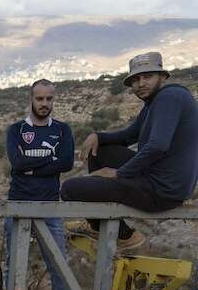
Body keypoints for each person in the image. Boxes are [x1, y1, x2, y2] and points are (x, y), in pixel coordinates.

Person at [63, 52, 198, 252]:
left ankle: (124, 235)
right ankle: (101, 222)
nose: (141, 83)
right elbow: (127, 136)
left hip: (161, 191)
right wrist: (98, 136)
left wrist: (118, 174)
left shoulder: (170, 97)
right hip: (158, 178)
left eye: (147, 77)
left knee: (69, 189)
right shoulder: (154, 104)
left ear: (163, 77)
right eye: (135, 79)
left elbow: (157, 146)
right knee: (100, 151)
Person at [5, 79, 74, 290]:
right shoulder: (16, 130)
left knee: (59, 264)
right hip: (18, 204)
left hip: (50, 206)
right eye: (39, 98)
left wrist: (30, 166)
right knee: (15, 265)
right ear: (31, 99)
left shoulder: (62, 130)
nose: (44, 103)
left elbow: (67, 163)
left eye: (49, 98)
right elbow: (16, 162)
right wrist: (50, 159)